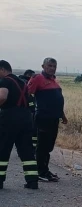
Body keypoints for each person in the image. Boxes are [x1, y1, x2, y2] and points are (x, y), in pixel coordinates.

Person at [0, 60, 40, 189]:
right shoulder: (22, 82)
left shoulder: (5, 81)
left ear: (2, 69)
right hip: (26, 118)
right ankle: (32, 181)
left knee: (3, 149)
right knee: (27, 151)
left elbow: (2, 97)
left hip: (10, 117)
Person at [26, 58, 66, 182]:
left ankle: (45, 170)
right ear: (43, 66)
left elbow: (57, 101)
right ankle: (40, 172)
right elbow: (27, 94)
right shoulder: (38, 78)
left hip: (54, 118)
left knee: (48, 147)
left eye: (54, 66)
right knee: (42, 146)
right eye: (49, 65)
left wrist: (62, 115)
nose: (52, 68)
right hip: (43, 118)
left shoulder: (53, 80)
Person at [19, 69, 37, 150]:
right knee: (31, 129)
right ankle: (31, 147)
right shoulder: (25, 83)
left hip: (22, 110)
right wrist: (33, 108)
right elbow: (29, 97)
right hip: (27, 110)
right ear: (29, 75)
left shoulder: (20, 81)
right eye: (33, 76)